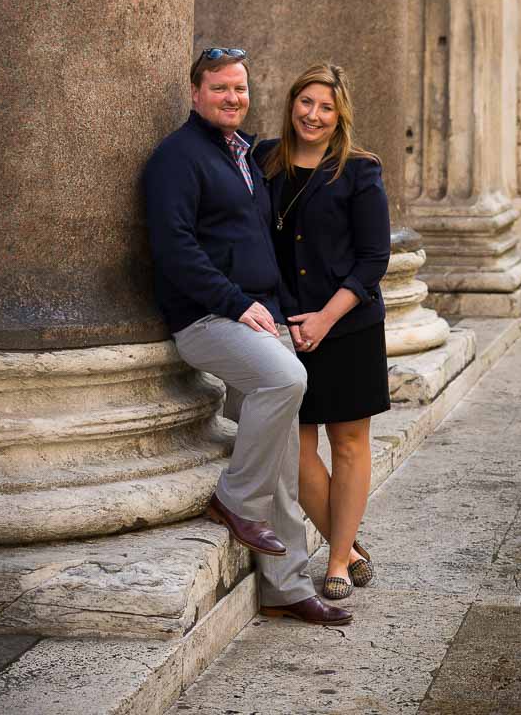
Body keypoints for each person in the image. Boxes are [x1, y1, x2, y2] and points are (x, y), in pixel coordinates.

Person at [144, 48, 352, 626]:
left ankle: (284, 585)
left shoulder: (242, 156)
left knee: (285, 452)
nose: (232, 98)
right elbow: (175, 250)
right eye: (219, 89)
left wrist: (283, 312)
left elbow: (259, 246)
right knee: (287, 380)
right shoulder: (176, 159)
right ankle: (233, 499)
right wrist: (235, 303)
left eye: (239, 89)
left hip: (257, 320)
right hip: (205, 321)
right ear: (195, 93)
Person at [255, 62, 391, 600]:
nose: (313, 114)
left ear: (340, 116)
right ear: (291, 104)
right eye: (306, 102)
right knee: (297, 448)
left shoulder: (360, 170)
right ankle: (351, 543)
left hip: (348, 324)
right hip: (287, 325)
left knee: (350, 442)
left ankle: (336, 560)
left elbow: (374, 258)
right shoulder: (265, 161)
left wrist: (324, 319)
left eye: (326, 107)